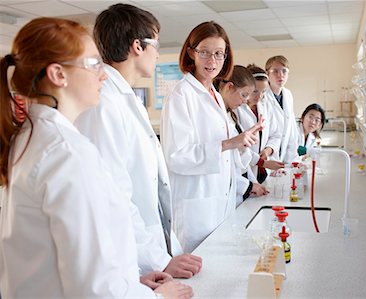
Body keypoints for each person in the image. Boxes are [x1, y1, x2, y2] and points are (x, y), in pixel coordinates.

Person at [0, 17, 192, 298]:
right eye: (92, 64)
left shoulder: (34, 137)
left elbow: (70, 255)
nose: (103, 74)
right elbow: (97, 289)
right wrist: (159, 297)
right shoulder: (66, 153)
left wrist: (130, 280)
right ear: (58, 75)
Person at [75, 4, 202, 278]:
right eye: (155, 44)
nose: (157, 53)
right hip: (130, 256)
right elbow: (114, 197)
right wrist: (158, 258)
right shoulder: (104, 103)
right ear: (137, 46)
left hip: (148, 248)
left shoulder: (126, 98)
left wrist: (166, 252)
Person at [161, 21, 262, 253]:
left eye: (219, 54)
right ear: (191, 52)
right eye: (204, 52)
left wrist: (242, 143)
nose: (212, 61)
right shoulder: (180, 95)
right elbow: (177, 156)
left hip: (219, 204)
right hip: (196, 210)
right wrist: (230, 143)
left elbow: (224, 154)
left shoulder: (214, 95)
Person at [215, 65, 270, 206]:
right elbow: (222, 162)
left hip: (238, 185)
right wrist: (249, 186)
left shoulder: (229, 114)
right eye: (244, 95)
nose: (246, 101)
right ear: (229, 87)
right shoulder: (217, 116)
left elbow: (239, 156)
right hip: (224, 191)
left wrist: (252, 184)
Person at [237, 64, 284, 183]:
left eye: (263, 91)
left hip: (264, 168)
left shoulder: (265, 106)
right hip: (245, 168)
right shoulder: (237, 110)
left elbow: (276, 134)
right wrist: (260, 160)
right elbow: (238, 145)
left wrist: (268, 150)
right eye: (255, 92)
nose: (259, 97)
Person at [264, 55, 299, 164]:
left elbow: (291, 128)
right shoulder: (262, 96)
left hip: (284, 154)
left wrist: (294, 159)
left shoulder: (288, 95)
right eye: (275, 71)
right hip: (266, 154)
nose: (280, 75)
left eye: (284, 71)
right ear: (267, 74)